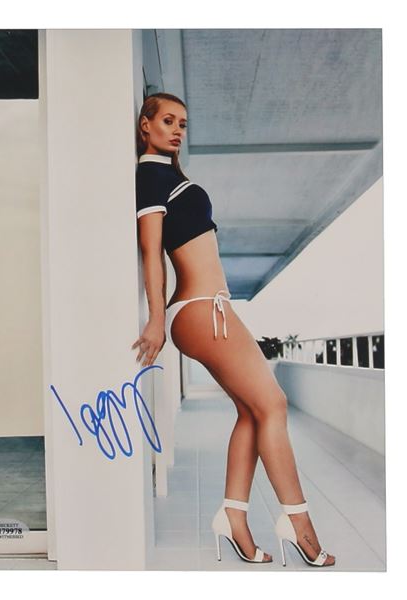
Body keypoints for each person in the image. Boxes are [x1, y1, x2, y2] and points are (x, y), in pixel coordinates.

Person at [131, 92, 335, 568]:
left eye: (183, 123)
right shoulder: (150, 176)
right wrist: (156, 319)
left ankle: (234, 518)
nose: (177, 130)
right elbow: (150, 251)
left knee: (252, 410)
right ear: (145, 125)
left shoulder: (168, 175)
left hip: (211, 308)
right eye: (167, 120)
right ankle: (299, 523)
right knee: (274, 404)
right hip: (199, 309)